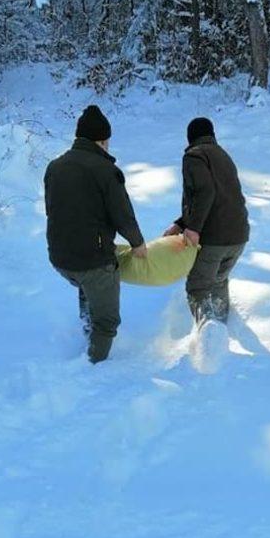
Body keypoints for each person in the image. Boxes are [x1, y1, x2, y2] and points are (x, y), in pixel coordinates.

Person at [44, 105, 147, 363]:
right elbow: (122, 213)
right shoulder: (105, 170)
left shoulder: (54, 167)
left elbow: (51, 209)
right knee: (107, 320)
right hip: (92, 259)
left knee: (87, 285)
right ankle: (93, 367)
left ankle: (87, 331)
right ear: (101, 140)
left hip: (60, 258)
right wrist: (137, 243)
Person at [163, 117, 249, 324]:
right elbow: (217, 197)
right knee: (218, 281)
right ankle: (221, 325)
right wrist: (181, 224)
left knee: (198, 287)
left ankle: (209, 336)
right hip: (239, 236)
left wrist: (193, 228)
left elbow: (205, 192)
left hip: (214, 239)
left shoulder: (194, 156)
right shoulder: (223, 156)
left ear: (189, 138)